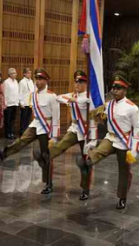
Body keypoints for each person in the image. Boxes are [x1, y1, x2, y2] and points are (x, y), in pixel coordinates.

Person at [0, 68, 60, 194]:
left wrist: (55, 135)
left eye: (40, 79)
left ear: (46, 81)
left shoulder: (52, 96)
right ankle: (3, 154)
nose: (37, 81)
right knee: (22, 140)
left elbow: (56, 116)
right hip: (36, 124)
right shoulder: (33, 95)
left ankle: (48, 183)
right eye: (36, 79)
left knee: (46, 155)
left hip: (47, 127)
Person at [34, 71, 97, 200]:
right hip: (74, 129)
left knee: (86, 160)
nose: (78, 84)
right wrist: (72, 99)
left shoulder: (90, 97)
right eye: (76, 81)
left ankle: (85, 189)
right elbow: (59, 97)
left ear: (86, 83)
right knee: (58, 147)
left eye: (81, 82)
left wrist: (94, 138)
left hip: (86, 132)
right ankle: (46, 169)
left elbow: (91, 114)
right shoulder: (72, 95)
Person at [84, 75, 139, 209]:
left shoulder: (132, 108)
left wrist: (134, 149)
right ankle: (87, 162)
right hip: (110, 138)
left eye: (119, 88)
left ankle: (122, 197)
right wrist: (92, 106)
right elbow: (97, 118)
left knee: (124, 171)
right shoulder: (108, 105)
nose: (115, 91)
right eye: (114, 88)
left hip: (124, 141)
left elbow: (138, 129)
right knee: (98, 151)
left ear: (125, 91)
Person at [3, 68, 19, 139]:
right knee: (8, 120)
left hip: (14, 103)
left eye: (15, 73)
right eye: (14, 73)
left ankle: (11, 133)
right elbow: (4, 93)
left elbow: (17, 92)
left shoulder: (16, 81)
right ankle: (7, 133)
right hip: (8, 104)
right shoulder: (6, 82)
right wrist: (5, 103)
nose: (15, 74)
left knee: (13, 119)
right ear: (10, 74)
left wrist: (17, 101)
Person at [19, 68, 34, 135]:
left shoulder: (31, 81)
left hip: (30, 102)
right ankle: (22, 130)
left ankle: (26, 130)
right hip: (24, 102)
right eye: (28, 73)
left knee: (28, 117)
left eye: (30, 73)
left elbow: (32, 91)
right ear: (24, 74)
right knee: (23, 117)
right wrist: (21, 102)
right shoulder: (22, 82)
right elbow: (20, 92)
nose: (29, 74)